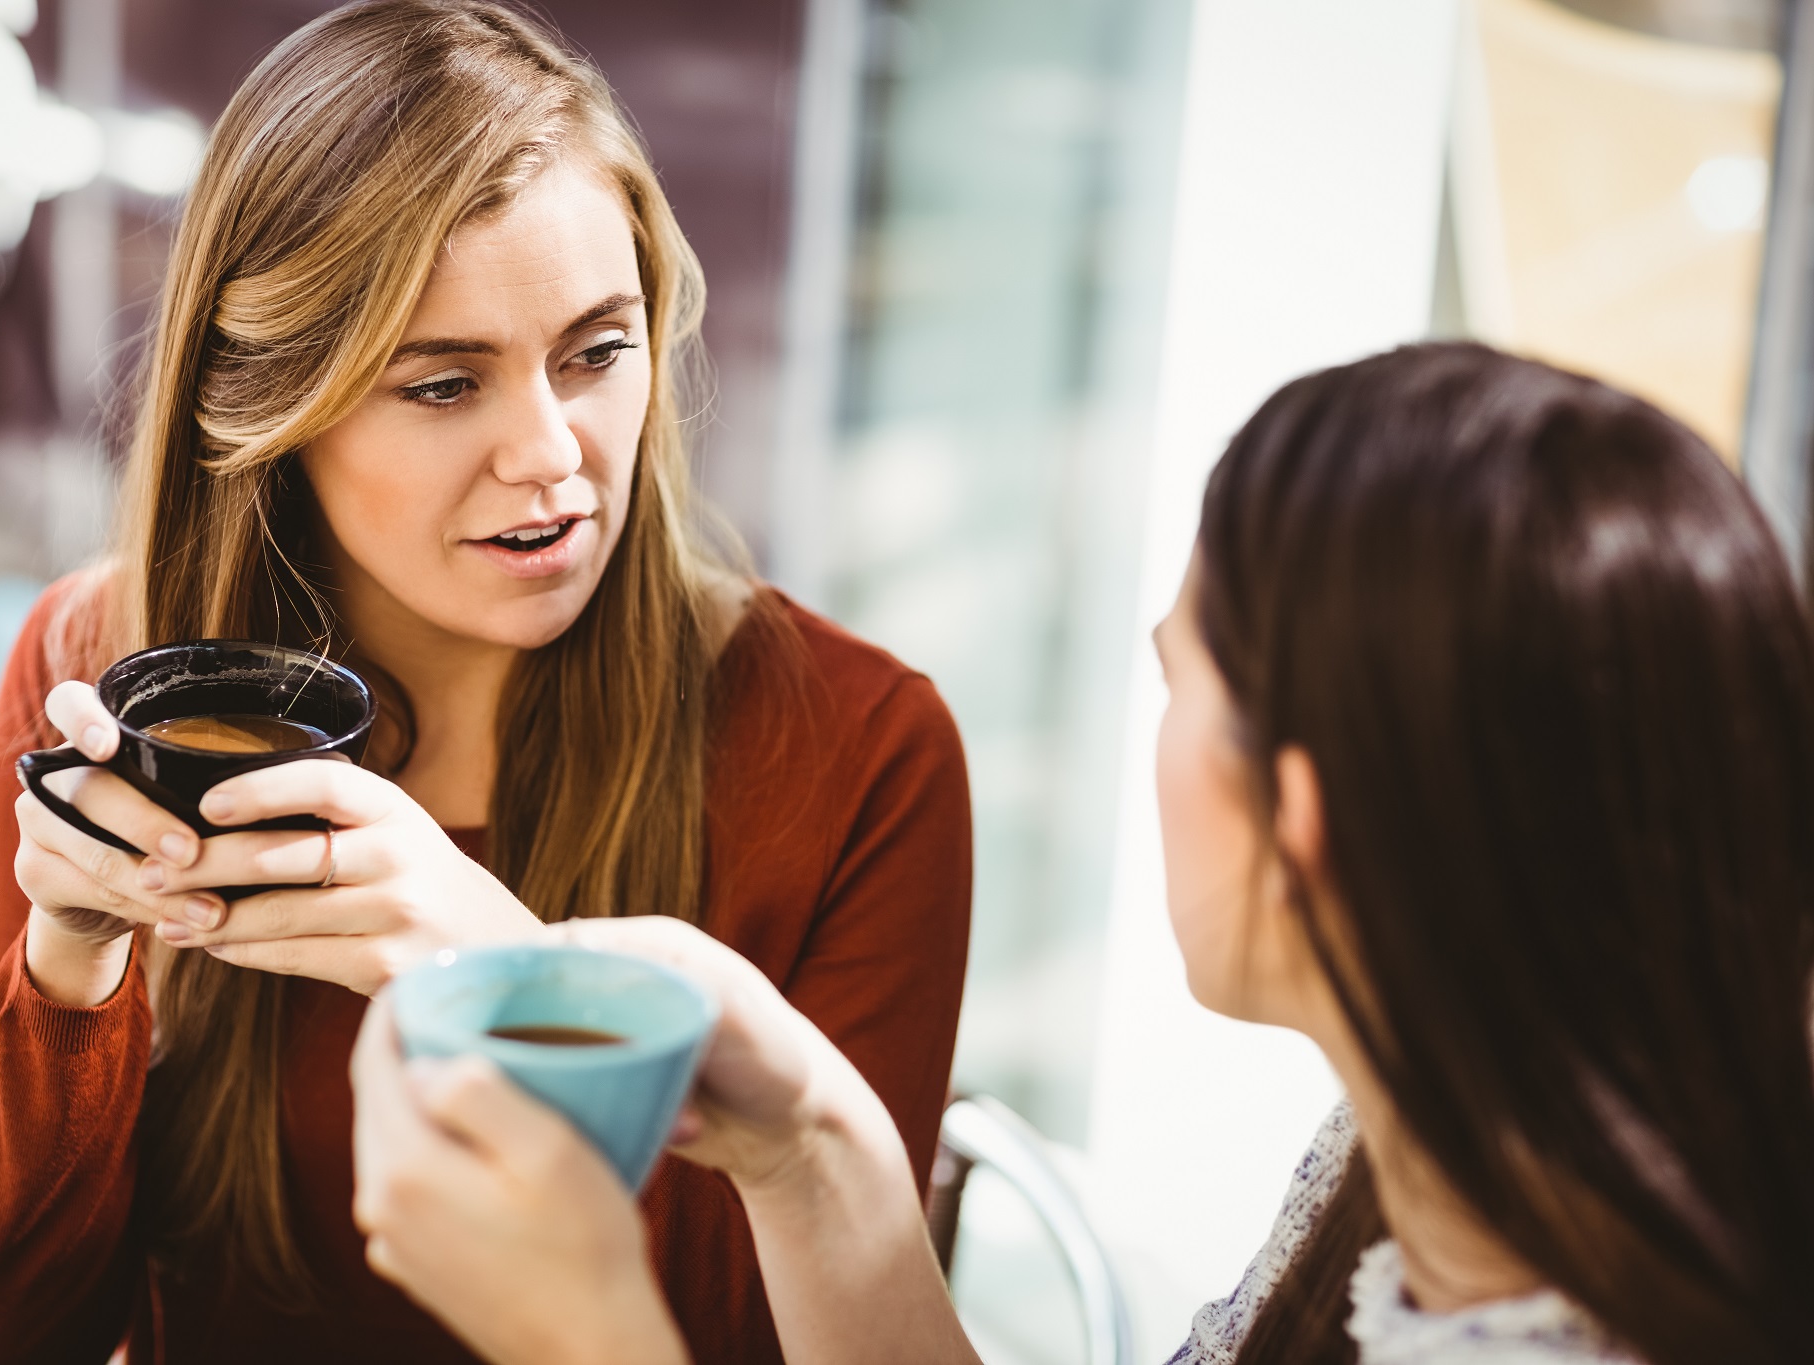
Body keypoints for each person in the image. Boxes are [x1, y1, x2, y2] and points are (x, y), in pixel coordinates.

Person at [351, 343, 1814, 1365]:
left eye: (1180, 682)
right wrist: (813, 1147)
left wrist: (592, 1338)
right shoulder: (1444, 1155)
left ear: (1298, 822)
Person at [0, 3, 971, 1362]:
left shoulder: (860, 749)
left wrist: (511, 982)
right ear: (275, 404)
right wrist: (70, 969)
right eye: (446, 385)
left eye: (596, 352)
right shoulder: (98, 669)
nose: (552, 455)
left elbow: (762, 1336)